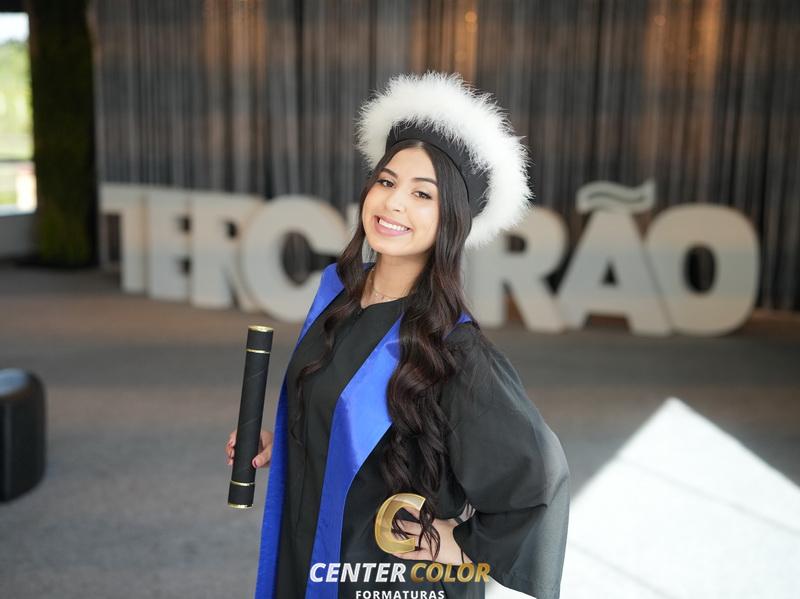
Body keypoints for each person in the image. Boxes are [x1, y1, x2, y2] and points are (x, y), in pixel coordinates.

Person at [226, 71, 570, 599]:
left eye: (422, 194)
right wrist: (298, 432)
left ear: (451, 220)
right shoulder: (341, 297)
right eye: (386, 182)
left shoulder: (452, 348)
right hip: (315, 550)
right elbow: (351, 418)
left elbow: (537, 477)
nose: (393, 204)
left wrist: (463, 547)